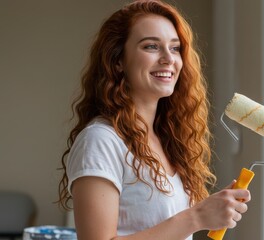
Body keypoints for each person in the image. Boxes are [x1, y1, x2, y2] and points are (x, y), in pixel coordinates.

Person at [57, 0, 251, 239]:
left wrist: (211, 211)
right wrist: (197, 217)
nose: (169, 58)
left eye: (175, 48)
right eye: (151, 46)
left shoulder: (168, 139)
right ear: (118, 61)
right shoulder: (101, 140)